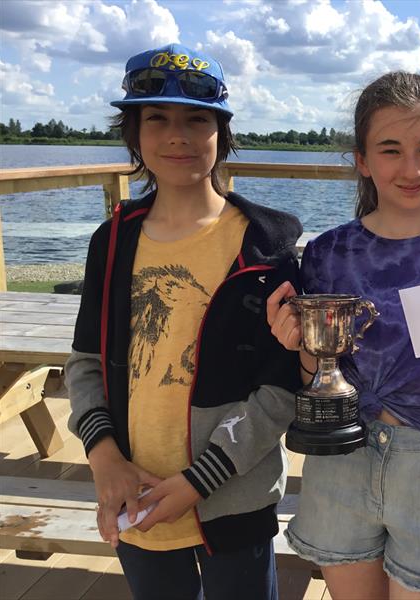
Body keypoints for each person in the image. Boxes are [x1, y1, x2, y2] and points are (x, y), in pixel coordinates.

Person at [266, 71, 420, 599]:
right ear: (362, 160)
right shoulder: (327, 254)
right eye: (389, 150)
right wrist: (299, 345)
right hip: (342, 458)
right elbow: (318, 375)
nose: (411, 168)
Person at [65, 43, 302, 600]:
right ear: (134, 134)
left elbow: (282, 386)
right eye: (157, 119)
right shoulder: (113, 240)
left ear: (222, 132)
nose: (178, 136)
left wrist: (202, 479)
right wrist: (105, 458)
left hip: (233, 495)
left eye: (198, 119)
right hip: (136, 494)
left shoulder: (267, 249)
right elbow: (85, 363)